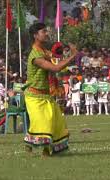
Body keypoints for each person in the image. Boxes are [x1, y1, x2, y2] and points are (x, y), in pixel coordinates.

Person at [23, 23, 77, 156]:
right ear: (35, 35)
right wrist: (73, 55)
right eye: (43, 31)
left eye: (46, 31)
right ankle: (41, 150)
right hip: (34, 96)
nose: (46, 33)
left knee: (56, 123)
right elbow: (55, 68)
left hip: (46, 95)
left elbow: (57, 62)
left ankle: (40, 149)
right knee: (44, 123)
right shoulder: (36, 55)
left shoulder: (44, 51)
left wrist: (63, 53)